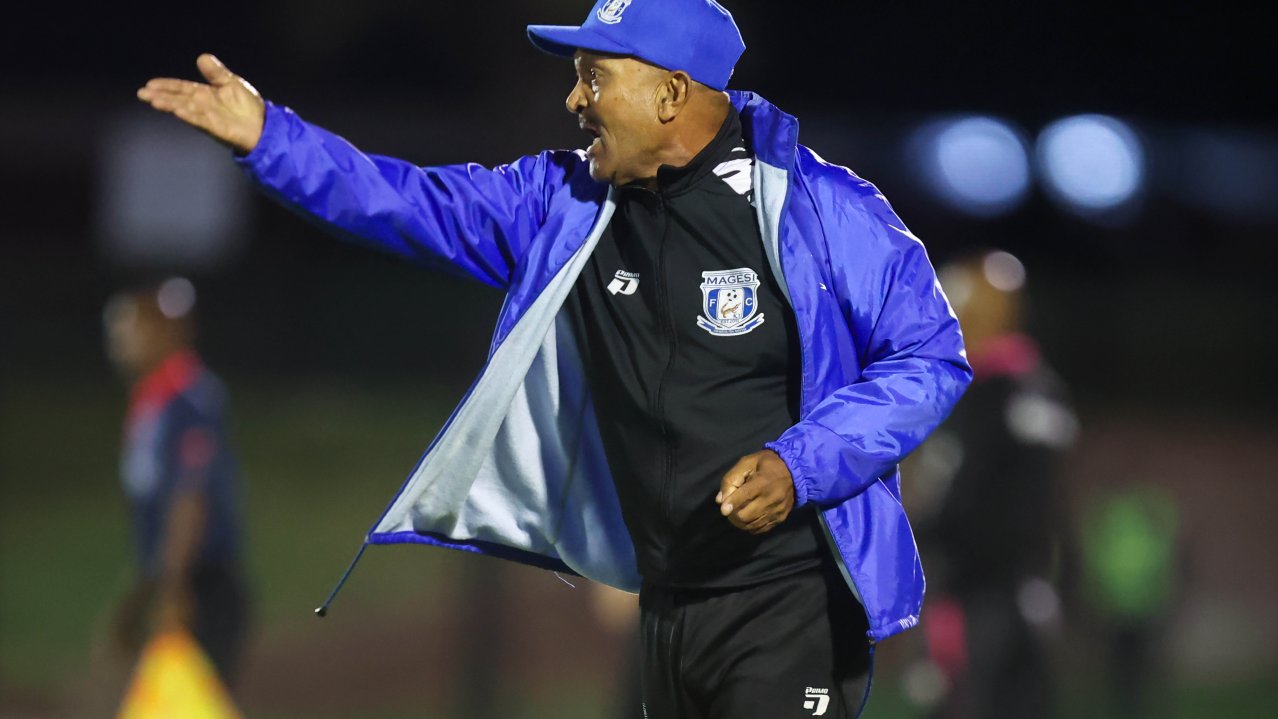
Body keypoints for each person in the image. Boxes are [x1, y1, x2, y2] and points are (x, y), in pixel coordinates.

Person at [135, 1, 970, 715]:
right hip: (667, 606)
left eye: (593, 76)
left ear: (671, 93)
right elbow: (409, 201)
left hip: (793, 602)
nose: (573, 99)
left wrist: (801, 464)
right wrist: (269, 139)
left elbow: (930, 357)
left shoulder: (824, 209)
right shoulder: (565, 203)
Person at [903, 249, 1077, 718]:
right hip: (1010, 586)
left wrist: (927, 538)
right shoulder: (1028, 388)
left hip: (985, 590)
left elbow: (971, 497)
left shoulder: (995, 395)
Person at [104, 277, 251, 688]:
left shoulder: (190, 399)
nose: (118, 343)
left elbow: (190, 497)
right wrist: (138, 593)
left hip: (200, 587)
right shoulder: (154, 400)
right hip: (177, 580)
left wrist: (172, 588)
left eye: (129, 330)